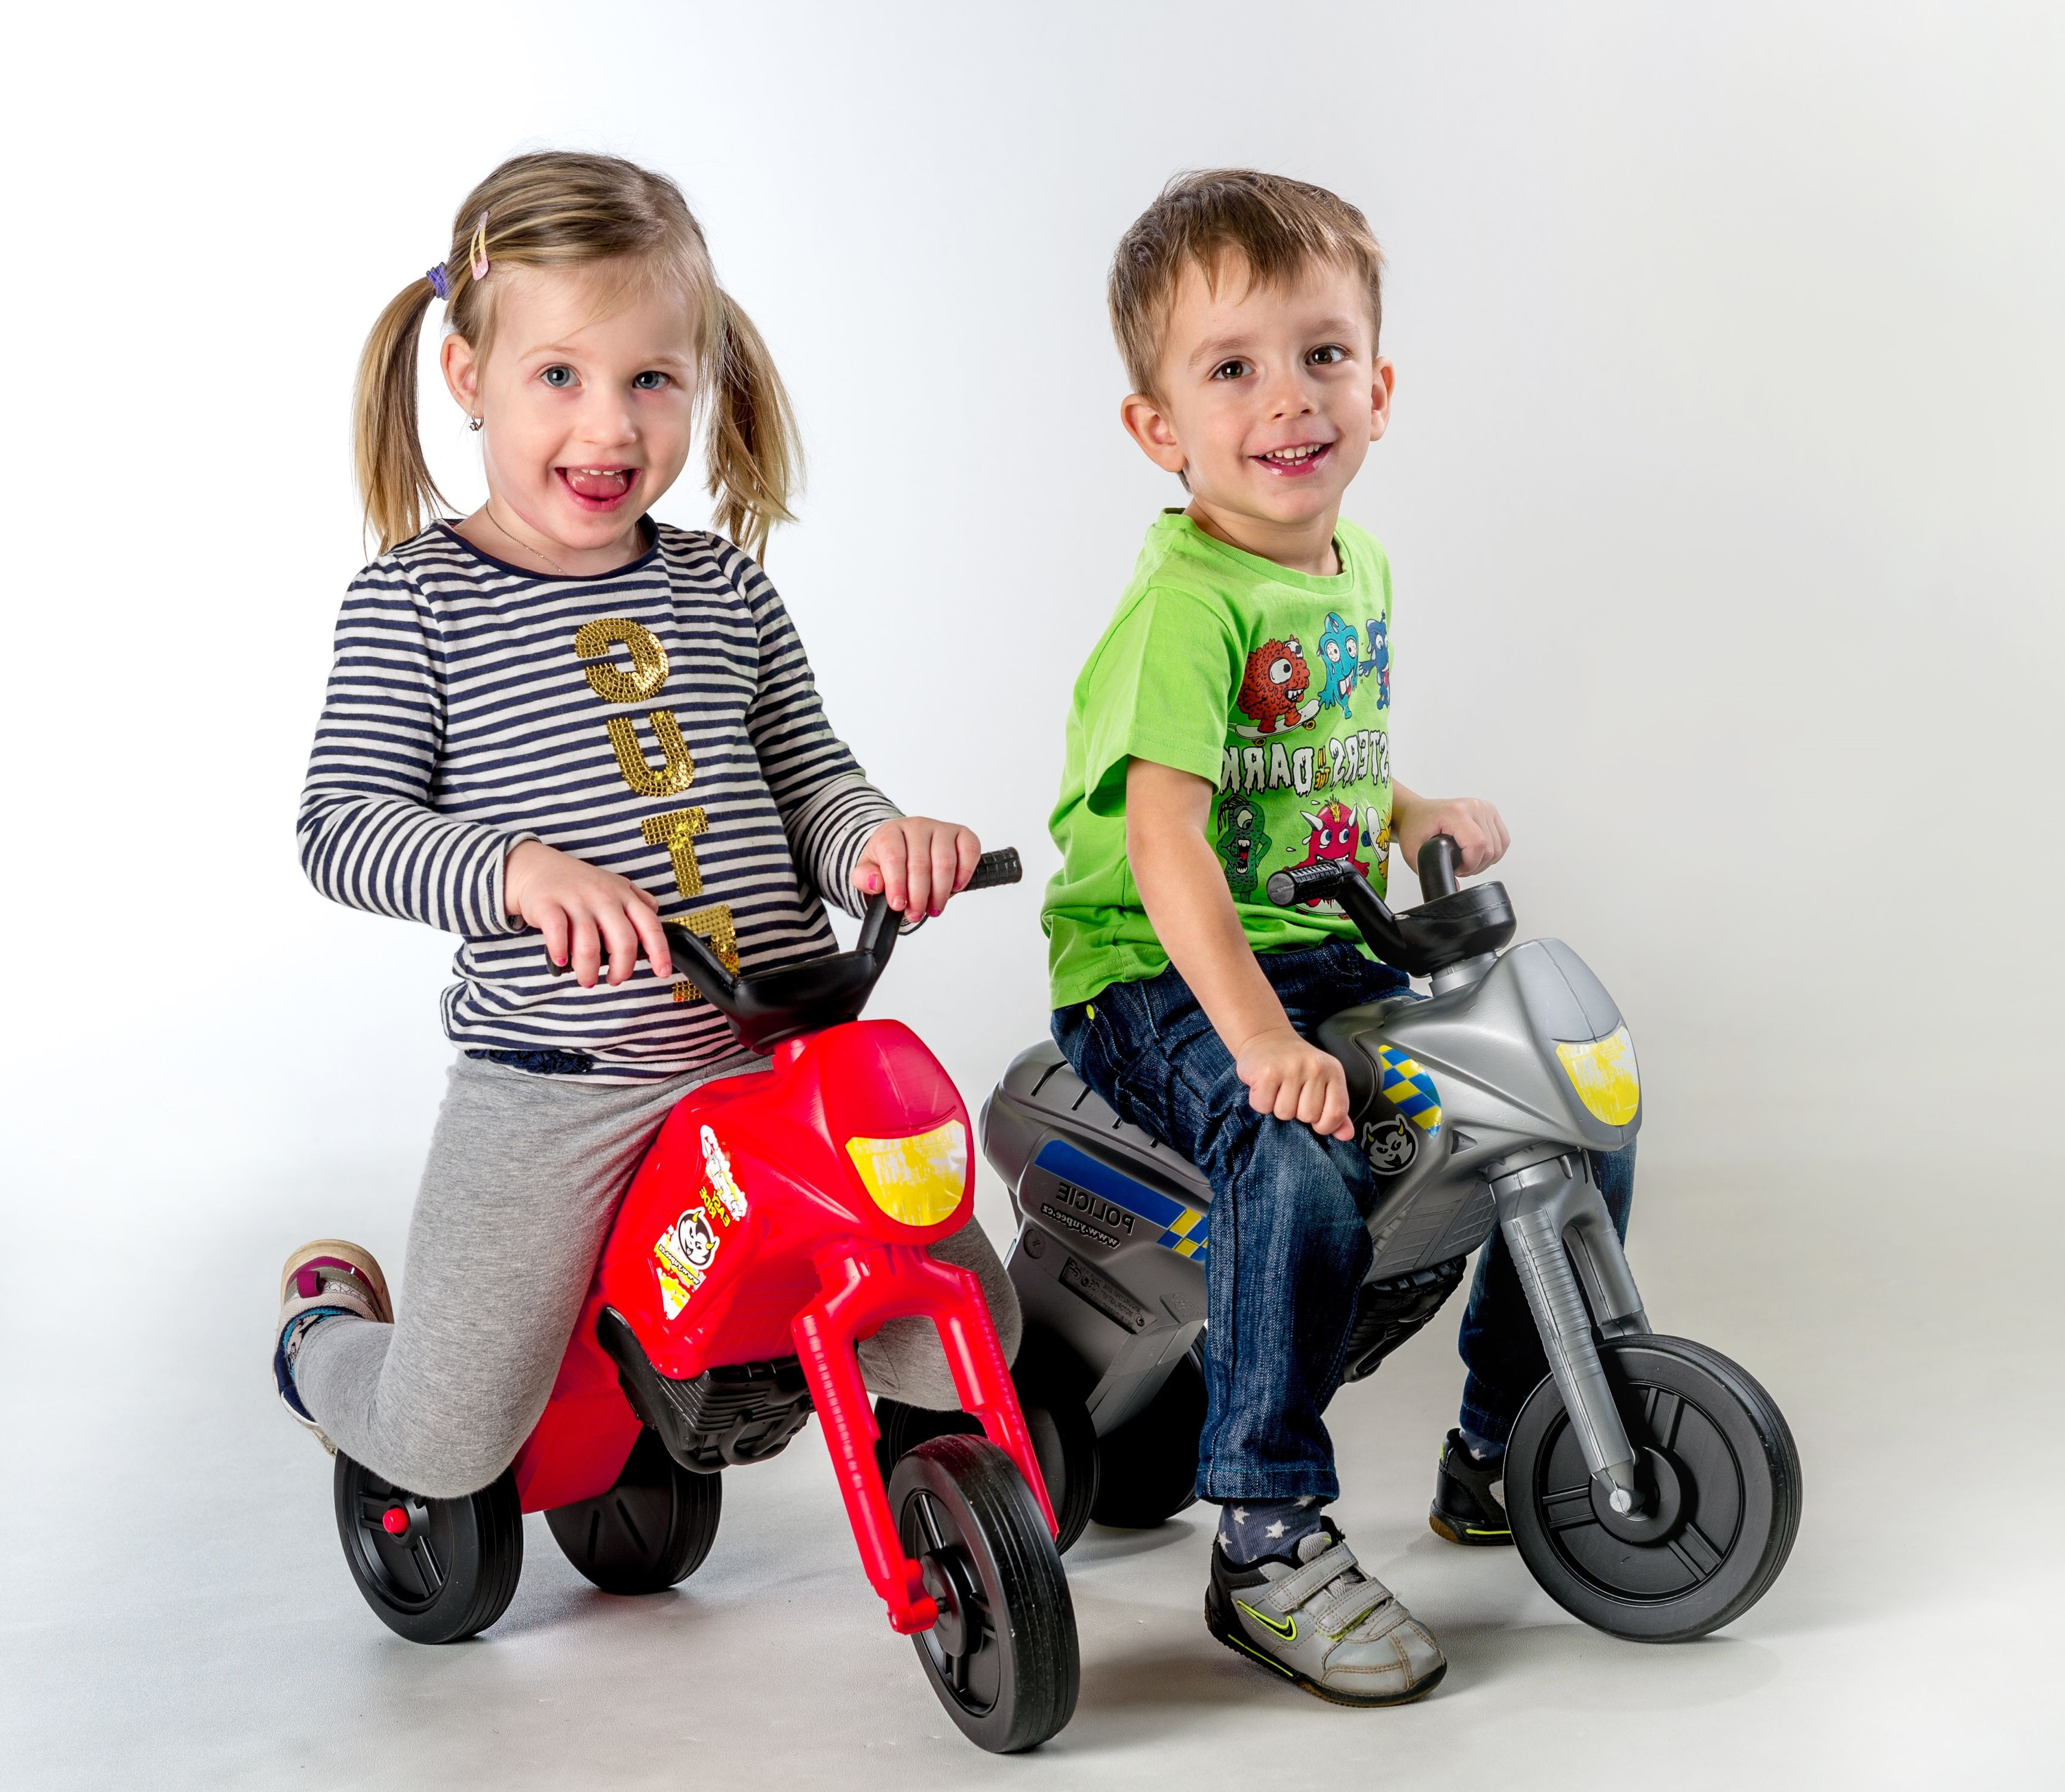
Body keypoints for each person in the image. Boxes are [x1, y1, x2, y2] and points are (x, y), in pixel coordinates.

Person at [274, 151, 1016, 1502]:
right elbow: (341, 827)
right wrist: (512, 870)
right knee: (443, 1443)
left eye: (651, 380)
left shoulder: (725, 588)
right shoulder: (416, 603)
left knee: (968, 1335)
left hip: (775, 1055)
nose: (609, 428)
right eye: (559, 375)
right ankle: (320, 1336)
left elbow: (810, 776)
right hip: (561, 1084)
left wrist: (874, 840)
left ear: (702, 377)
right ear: (467, 374)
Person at [1042, 169, 1634, 1705]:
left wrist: (1407, 803)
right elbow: (1167, 838)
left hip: (1320, 941)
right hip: (1159, 968)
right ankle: (1264, 1534)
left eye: (1320, 355)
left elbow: (1306, 765)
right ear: (1158, 429)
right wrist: (1257, 1040)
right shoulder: (1186, 606)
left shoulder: (1350, 562)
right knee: (1289, 1152)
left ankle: (1511, 1440)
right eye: (1231, 369)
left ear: (1378, 385)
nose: (1287, 399)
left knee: (1565, 1099)